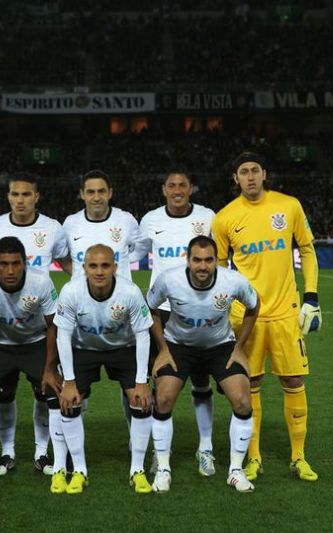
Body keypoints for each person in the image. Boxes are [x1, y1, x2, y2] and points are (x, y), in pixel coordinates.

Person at [211, 151, 322, 482]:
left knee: (293, 381)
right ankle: (254, 458)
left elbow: (307, 249)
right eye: (243, 171)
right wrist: (224, 305)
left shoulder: (289, 205)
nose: (250, 176)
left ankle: (299, 457)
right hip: (247, 317)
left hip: (287, 312)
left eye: (255, 170)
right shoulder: (225, 218)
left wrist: (312, 296)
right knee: (251, 384)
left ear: (264, 173)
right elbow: (217, 264)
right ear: (235, 178)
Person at [146, 236, 259, 493]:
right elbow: (149, 307)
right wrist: (162, 349)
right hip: (178, 346)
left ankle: (235, 470)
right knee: (162, 399)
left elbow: (254, 306)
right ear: (188, 259)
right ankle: (163, 468)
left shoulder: (234, 281)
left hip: (219, 347)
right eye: (197, 259)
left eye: (209, 260)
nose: (203, 266)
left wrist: (239, 347)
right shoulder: (169, 279)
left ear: (216, 261)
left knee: (242, 400)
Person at [0, 174, 71, 475]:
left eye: (26, 194)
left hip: (39, 331)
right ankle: (7, 452)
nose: (20, 199)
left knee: (46, 391)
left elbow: (67, 262)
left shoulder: (52, 228)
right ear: (8, 197)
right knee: (3, 394)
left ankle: (41, 452)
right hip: (1, 333)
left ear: (37, 197)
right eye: (15, 194)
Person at [54, 244, 154, 495]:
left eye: (105, 265)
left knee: (141, 401)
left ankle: (137, 470)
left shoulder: (130, 292)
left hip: (123, 348)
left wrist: (142, 381)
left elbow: (143, 335)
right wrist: (68, 381)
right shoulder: (71, 291)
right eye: (93, 266)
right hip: (84, 349)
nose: (99, 271)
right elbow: (62, 337)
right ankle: (79, 470)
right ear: (84, 268)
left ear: (115, 267)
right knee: (70, 402)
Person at [136, 171, 218, 476]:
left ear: (191, 188)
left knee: (201, 381)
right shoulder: (150, 220)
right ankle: (161, 451)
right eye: (172, 186)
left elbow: (219, 258)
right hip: (162, 312)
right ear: (163, 190)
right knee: (162, 383)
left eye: (183, 185)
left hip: (200, 310)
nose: (178, 190)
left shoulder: (208, 217)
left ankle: (206, 447)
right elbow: (133, 253)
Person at [0, 237, 63, 492]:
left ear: (25, 263)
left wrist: (50, 368)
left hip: (36, 342)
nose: (10, 271)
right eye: (4, 264)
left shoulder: (41, 281)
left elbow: (54, 325)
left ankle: (42, 454)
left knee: (52, 392)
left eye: (16, 264)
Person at [62, 170, 142, 282]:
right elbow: (64, 260)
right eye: (90, 192)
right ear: (82, 194)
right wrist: (81, 277)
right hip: (82, 299)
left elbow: (138, 250)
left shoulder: (127, 221)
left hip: (120, 298)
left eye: (101, 191)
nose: (96, 198)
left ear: (110, 193)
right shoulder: (70, 223)